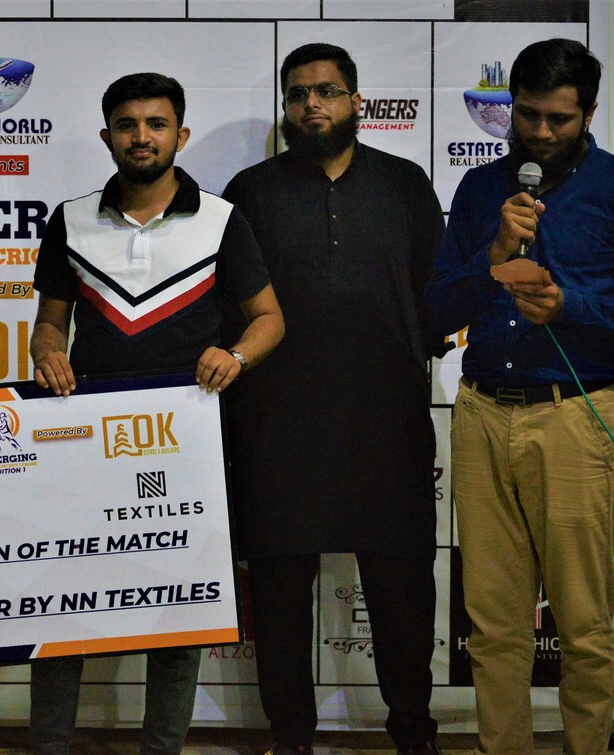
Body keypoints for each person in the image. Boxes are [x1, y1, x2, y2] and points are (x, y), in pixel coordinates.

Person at [426, 38, 614, 754]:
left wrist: (571, 305)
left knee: (583, 620)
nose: (539, 132)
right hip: (481, 412)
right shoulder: (481, 190)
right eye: (527, 114)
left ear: (588, 113)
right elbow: (437, 309)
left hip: (576, 415)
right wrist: (493, 255)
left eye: (558, 119)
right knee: (493, 622)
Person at [29, 72, 285, 755]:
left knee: (179, 614)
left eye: (156, 124)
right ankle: (48, 746)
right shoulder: (70, 219)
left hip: (186, 443)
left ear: (181, 134)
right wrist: (47, 351)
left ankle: (162, 748)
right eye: (127, 124)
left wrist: (236, 355)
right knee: (65, 607)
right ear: (107, 135)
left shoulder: (221, 220)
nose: (141, 136)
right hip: (83, 440)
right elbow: (49, 323)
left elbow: (269, 319)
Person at [221, 43, 446, 755]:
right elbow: (230, 307)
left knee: (403, 589)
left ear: (356, 101)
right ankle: (290, 736)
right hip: (276, 423)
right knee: (280, 595)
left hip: (387, 421)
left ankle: (413, 730)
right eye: (297, 95)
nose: (311, 104)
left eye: (325, 91)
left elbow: (435, 296)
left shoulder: (405, 183)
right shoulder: (250, 191)